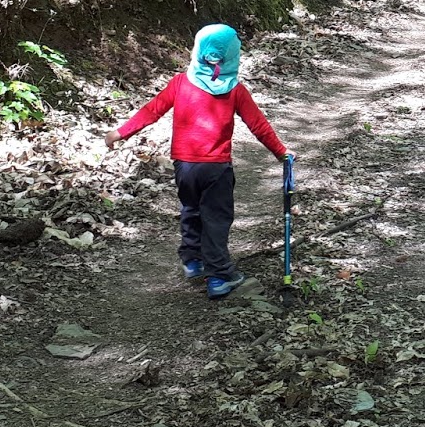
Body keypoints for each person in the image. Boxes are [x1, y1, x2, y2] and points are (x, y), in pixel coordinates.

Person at [105, 23, 294, 298]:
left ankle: (193, 261)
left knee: (191, 210)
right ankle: (219, 276)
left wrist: (120, 133)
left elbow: (152, 110)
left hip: (184, 165)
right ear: (232, 56)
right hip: (216, 167)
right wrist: (281, 152)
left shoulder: (180, 83)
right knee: (215, 219)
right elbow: (258, 125)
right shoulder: (235, 90)